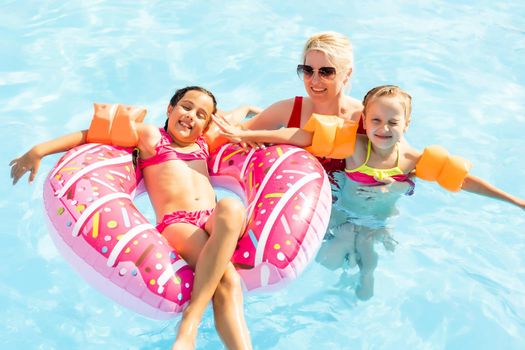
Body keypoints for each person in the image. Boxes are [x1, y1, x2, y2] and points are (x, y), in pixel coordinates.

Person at [213, 84, 525, 300]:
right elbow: (301, 136)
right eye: (375, 120)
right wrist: (248, 132)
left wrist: (515, 201)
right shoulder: (355, 146)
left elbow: (464, 180)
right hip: (344, 213)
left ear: (408, 122)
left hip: (379, 219)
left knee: (366, 251)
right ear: (364, 120)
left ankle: (366, 276)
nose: (383, 128)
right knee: (332, 257)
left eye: (393, 121)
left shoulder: (413, 160)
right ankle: (359, 273)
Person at [9, 86, 254, 350]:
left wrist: (251, 109)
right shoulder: (151, 136)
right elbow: (89, 135)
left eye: (201, 114)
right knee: (228, 281)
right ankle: (190, 324)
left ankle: (191, 322)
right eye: (186, 106)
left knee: (231, 207)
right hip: (179, 223)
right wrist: (39, 150)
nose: (191, 116)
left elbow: (231, 118)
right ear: (169, 109)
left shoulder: (204, 144)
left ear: (206, 126)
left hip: (212, 219)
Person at [239, 31, 363, 178]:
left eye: (326, 72)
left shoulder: (365, 118)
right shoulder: (289, 110)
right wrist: (245, 140)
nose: (315, 81)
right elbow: (236, 133)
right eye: (308, 70)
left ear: (347, 74)